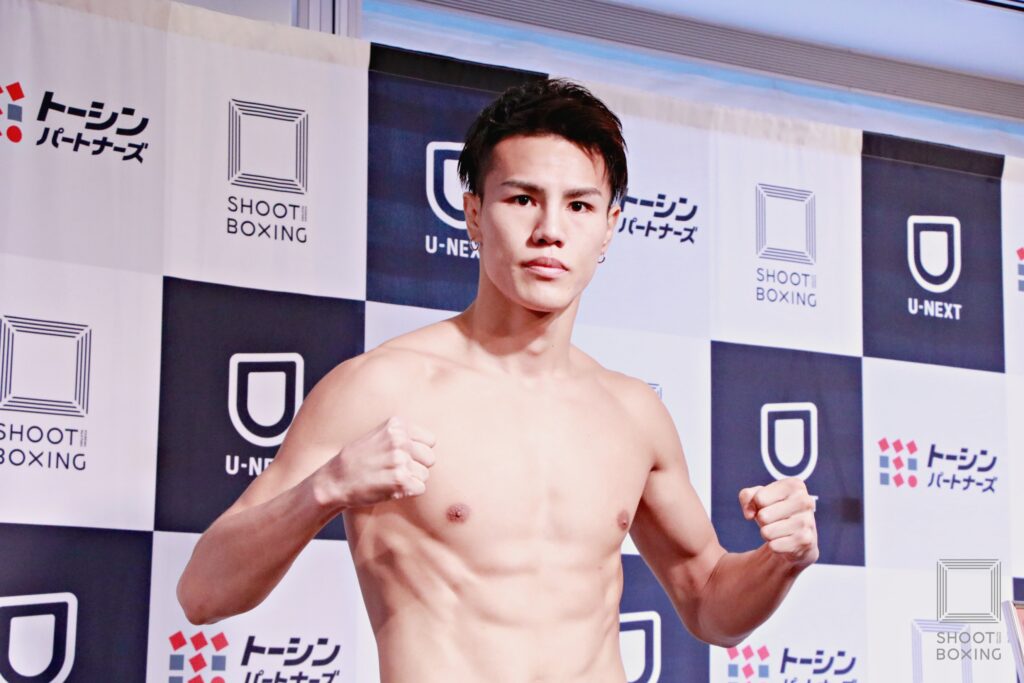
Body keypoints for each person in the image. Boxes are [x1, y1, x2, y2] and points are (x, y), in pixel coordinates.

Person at [177, 78, 818, 682]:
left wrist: (779, 561)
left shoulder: (632, 412)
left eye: (579, 205)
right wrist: (326, 488)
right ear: (474, 214)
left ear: (610, 227)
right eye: (522, 200)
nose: (550, 231)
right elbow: (203, 594)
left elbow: (709, 605)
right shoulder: (381, 388)